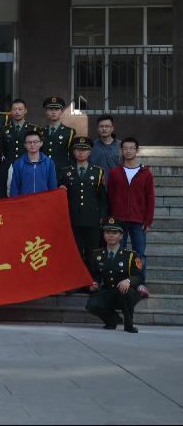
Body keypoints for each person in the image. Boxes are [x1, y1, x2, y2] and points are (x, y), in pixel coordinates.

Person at [107, 137, 155, 298]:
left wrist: (148, 220)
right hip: (119, 221)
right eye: (125, 148)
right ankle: (119, 283)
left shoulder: (146, 173)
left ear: (137, 150)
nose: (128, 151)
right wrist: (111, 219)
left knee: (139, 254)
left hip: (138, 220)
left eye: (131, 148)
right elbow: (110, 197)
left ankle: (140, 283)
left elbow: (150, 198)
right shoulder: (115, 173)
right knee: (119, 253)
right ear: (121, 150)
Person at [59, 136, 109, 270]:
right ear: (73, 151)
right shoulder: (65, 172)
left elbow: (103, 199)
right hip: (72, 219)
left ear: (90, 152)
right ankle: (75, 279)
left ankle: (91, 279)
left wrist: (102, 217)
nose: (81, 153)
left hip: (92, 220)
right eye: (78, 150)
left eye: (84, 150)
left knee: (92, 252)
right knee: (74, 252)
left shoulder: (98, 172)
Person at [86, 219, 144, 333]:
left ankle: (129, 324)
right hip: (107, 290)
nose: (111, 235)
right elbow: (95, 274)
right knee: (92, 305)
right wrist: (94, 283)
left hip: (125, 293)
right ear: (104, 235)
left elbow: (139, 276)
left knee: (126, 291)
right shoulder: (97, 255)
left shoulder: (131, 255)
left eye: (114, 232)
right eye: (107, 232)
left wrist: (128, 281)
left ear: (121, 236)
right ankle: (112, 320)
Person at [9, 130, 58, 196]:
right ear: (25, 145)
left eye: (35, 142)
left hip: (43, 200)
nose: (32, 145)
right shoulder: (18, 163)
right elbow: (15, 187)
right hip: (25, 200)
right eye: (29, 142)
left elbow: (52, 186)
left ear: (41, 143)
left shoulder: (49, 163)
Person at [42, 96, 76, 177]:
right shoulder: (40, 132)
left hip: (62, 173)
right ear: (46, 112)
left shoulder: (69, 132)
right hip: (43, 172)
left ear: (61, 111)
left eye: (57, 109)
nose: (54, 112)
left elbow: (72, 156)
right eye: (51, 109)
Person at [2, 99, 40, 164]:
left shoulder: (34, 129)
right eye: (14, 109)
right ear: (11, 111)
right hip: (9, 166)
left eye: (20, 109)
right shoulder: (4, 130)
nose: (17, 112)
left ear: (25, 111)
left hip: (28, 165)